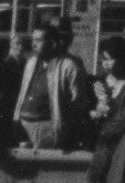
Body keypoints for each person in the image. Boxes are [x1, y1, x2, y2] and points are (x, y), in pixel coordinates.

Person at [12, 23, 97, 154]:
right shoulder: (31, 62)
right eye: (33, 40)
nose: (33, 44)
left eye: (38, 40)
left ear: (52, 43)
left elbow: (78, 103)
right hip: (23, 126)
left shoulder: (69, 67)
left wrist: (65, 130)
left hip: (47, 129)